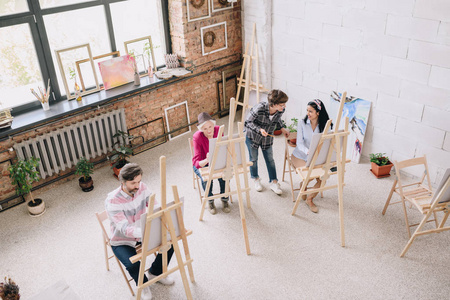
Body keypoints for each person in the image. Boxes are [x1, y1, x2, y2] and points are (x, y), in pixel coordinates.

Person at [105, 163, 174, 300]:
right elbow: (125, 229)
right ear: (123, 182)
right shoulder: (112, 200)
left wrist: (159, 213)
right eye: (133, 183)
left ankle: (155, 272)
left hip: (143, 232)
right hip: (122, 240)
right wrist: (145, 232)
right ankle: (143, 284)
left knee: (170, 244)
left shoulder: (142, 187)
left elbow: (154, 204)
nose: (137, 186)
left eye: (139, 181)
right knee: (133, 265)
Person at [244, 89, 290, 195]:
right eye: (282, 104)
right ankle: (256, 179)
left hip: (267, 138)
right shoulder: (259, 108)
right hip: (252, 137)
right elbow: (248, 122)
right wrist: (259, 129)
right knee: (253, 159)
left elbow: (277, 119)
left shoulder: (280, 110)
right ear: (273, 104)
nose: (284, 107)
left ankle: (274, 181)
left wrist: (282, 129)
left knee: (270, 159)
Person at [291, 99, 332, 213]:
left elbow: (327, 143)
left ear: (318, 112)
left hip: (316, 157)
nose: (308, 114)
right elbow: (299, 143)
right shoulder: (302, 123)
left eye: (311, 111)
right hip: (300, 155)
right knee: (309, 174)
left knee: (322, 178)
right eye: (307, 111)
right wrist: (308, 151)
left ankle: (310, 199)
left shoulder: (325, 125)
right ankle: (303, 184)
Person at [192, 112, 230, 215]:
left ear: (213, 125)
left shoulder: (218, 130)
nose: (209, 130)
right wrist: (207, 160)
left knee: (225, 174)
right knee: (206, 179)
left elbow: (222, 148)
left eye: (210, 127)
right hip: (203, 163)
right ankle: (210, 201)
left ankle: (225, 198)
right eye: (205, 129)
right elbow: (196, 163)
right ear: (201, 129)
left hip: (216, 160)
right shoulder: (197, 137)